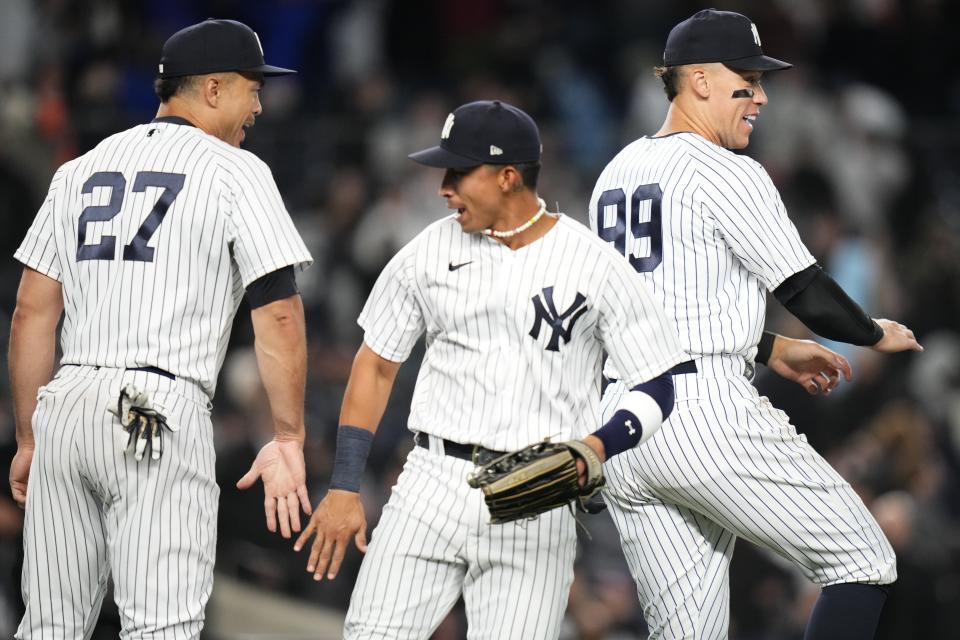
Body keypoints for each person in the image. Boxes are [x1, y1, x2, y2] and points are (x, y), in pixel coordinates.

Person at [294, 99, 689, 639]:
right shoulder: (427, 252)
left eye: (459, 172)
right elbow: (375, 366)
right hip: (432, 481)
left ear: (508, 177)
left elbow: (657, 384)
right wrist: (344, 485)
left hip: (537, 496)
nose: (443, 187)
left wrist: (600, 445)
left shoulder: (592, 262)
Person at [588, 9, 923, 640]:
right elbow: (808, 292)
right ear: (699, 80)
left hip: (627, 429)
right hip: (704, 412)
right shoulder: (725, 169)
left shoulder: (615, 175)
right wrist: (874, 332)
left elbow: (651, 307)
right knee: (863, 559)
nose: (762, 97)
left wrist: (765, 347)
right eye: (747, 80)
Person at [8, 19, 314, 638]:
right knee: (162, 628)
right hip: (154, 411)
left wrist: (28, 437)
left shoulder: (79, 169)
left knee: (49, 627)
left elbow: (32, 311)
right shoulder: (236, 170)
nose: (258, 104)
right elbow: (278, 311)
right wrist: (289, 435)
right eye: (251, 88)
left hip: (64, 407)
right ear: (211, 89)